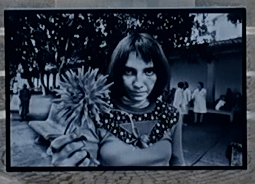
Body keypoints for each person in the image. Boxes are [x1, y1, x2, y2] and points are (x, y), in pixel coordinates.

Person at [46, 31, 184, 168]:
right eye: (129, 71)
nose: (138, 83)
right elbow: (86, 166)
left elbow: (178, 164)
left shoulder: (171, 115)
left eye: (148, 71)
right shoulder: (98, 113)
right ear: (118, 72)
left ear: (159, 73)